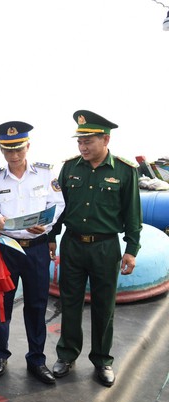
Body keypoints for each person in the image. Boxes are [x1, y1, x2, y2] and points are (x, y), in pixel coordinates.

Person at [49, 110, 141, 387]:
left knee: (103, 306)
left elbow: (132, 213)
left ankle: (102, 360)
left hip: (105, 247)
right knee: (71, 301)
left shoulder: (124, 171)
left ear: (105, 139)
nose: (83, 147)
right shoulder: (70, 168)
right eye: (80, 141)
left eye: (88, 141)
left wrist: (132, 250)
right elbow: (59, 209)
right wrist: (52, 237)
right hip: (73, 244)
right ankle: (67, 354)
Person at [0, 121, 65, 384]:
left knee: (36, 304)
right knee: (2, 304)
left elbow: (58, 203)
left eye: (18, 149)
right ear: (2, 150)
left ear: (27, 146)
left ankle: (37, 359)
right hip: (8, 247)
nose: (14, 155)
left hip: (36, 249)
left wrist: (47, 225)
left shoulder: (44, 174)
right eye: (8, 150)